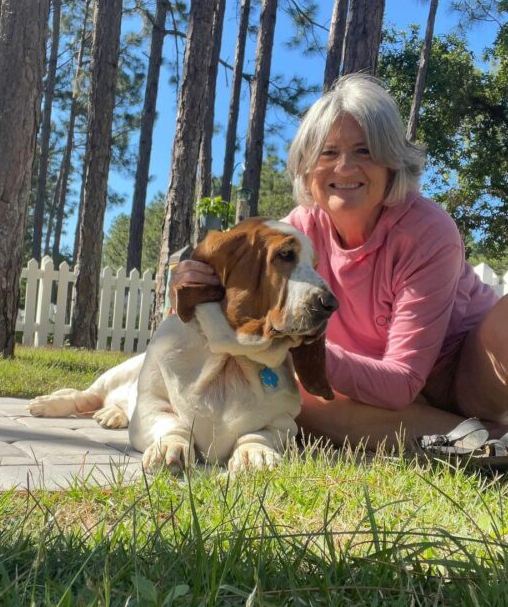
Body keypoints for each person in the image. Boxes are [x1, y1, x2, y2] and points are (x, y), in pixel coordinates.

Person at [170, 74, 508, 451]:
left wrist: (297, 345)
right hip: (375, 392)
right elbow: (240, 305)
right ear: (307, 168)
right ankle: (482, 442)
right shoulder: (297, 231)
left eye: (364, 151)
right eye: (328, 153)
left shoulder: (427, 230)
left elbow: (401, 382)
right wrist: (200, 283)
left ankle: (462, 434)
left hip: (466, 372)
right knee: (295, 396)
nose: (345, 168)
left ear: (392, 164)